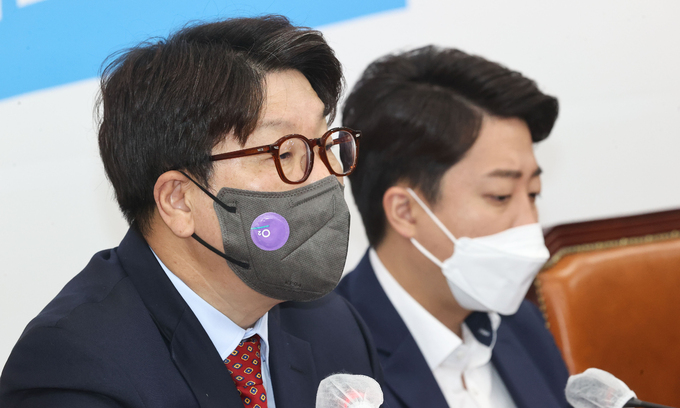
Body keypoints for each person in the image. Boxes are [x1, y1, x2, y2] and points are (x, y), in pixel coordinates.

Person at [0, 16, 382, 408]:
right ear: (178, 200)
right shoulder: (73, 368)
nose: (326, 177)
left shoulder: (332, 325)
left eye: (325, 143)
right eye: (284, 153)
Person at [336, 46, 570, 408]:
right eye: (500, 196)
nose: (530, 224)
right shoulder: (329, 354)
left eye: (533, 194)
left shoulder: (520, 323)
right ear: (405, 211)